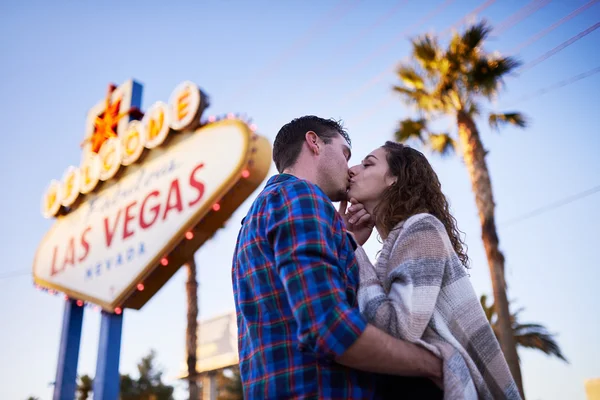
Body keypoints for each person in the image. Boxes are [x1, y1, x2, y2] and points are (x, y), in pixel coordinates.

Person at [231, 116, 443, 399]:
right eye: (346, 154)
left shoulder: (256, 218)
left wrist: (348, 242)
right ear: (314, 142)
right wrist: (435, 365)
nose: (350, 168)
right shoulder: (301, 195)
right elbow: (329, 328)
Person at [343, 141, 522, 400]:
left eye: (368, 163)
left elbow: (398, 327)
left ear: (395, 178)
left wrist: (351, 247)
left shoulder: (422, 228)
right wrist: (355, 244)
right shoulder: (401, 240)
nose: (353, 170)